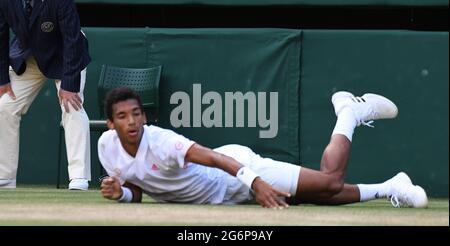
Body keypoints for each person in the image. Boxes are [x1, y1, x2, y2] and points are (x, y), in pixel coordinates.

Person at [98, 87, 428, 209]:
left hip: (237, 172)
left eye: (137, 113)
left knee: (329, 182)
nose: (132, 122)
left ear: (144, 115)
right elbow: (138, 189)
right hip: (226, 197)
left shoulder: (163, 142)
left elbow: (216, 158)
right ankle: (391, 187)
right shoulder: (106, 148)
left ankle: (349, 113)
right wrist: (121, 194)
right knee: (315, 197)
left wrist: (254, 182)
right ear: (111, 125)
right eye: (123, 117)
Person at [0, 0, 91, 190]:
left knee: (71, 106)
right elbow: (1, 34)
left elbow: (72, 39)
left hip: (66, 54)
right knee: (5, 108)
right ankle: (5, 177)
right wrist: (2, 79)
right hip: (30, 57)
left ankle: (79, 177)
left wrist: (69, 84)